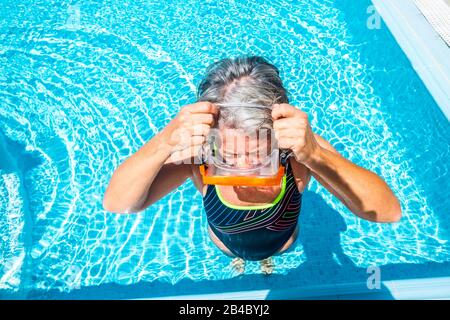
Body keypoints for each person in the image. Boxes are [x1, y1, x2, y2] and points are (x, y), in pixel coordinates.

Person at [103, 56, 401, 275]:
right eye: (229, 159)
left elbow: (387, 212)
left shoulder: (301, 153)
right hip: (225, 242)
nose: (244, 172)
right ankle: (242, 259)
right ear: (211, 140)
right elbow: (120, 204)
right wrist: (165, 142)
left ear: (280, 136)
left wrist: (315, 156)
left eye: (259, 157)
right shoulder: (199, 155)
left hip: (284, 240)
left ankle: (264, 259)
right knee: (239, 256)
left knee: (268, 256)